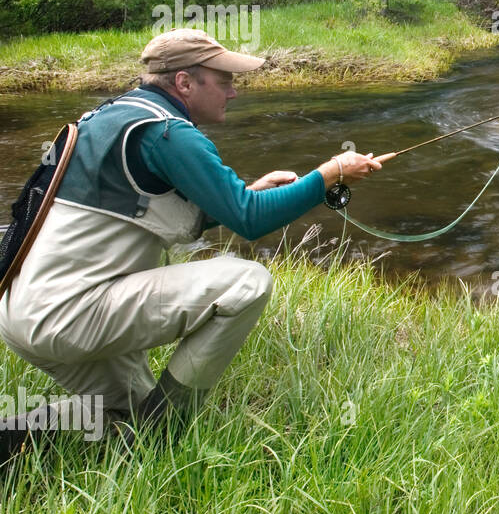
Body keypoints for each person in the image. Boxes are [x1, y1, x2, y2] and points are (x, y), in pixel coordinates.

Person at [0, 27, 386, 459]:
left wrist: (248, 191)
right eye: (224, 82)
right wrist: (330, 173)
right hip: (69, 314)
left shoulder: (113, 116)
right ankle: (163, 436)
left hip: (22, 315)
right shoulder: (169, 133)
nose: (233, 93)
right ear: (184, 82)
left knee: (128, 411)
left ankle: (17, 438)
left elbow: (154, 209)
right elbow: (251, 220)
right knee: (247, 282)